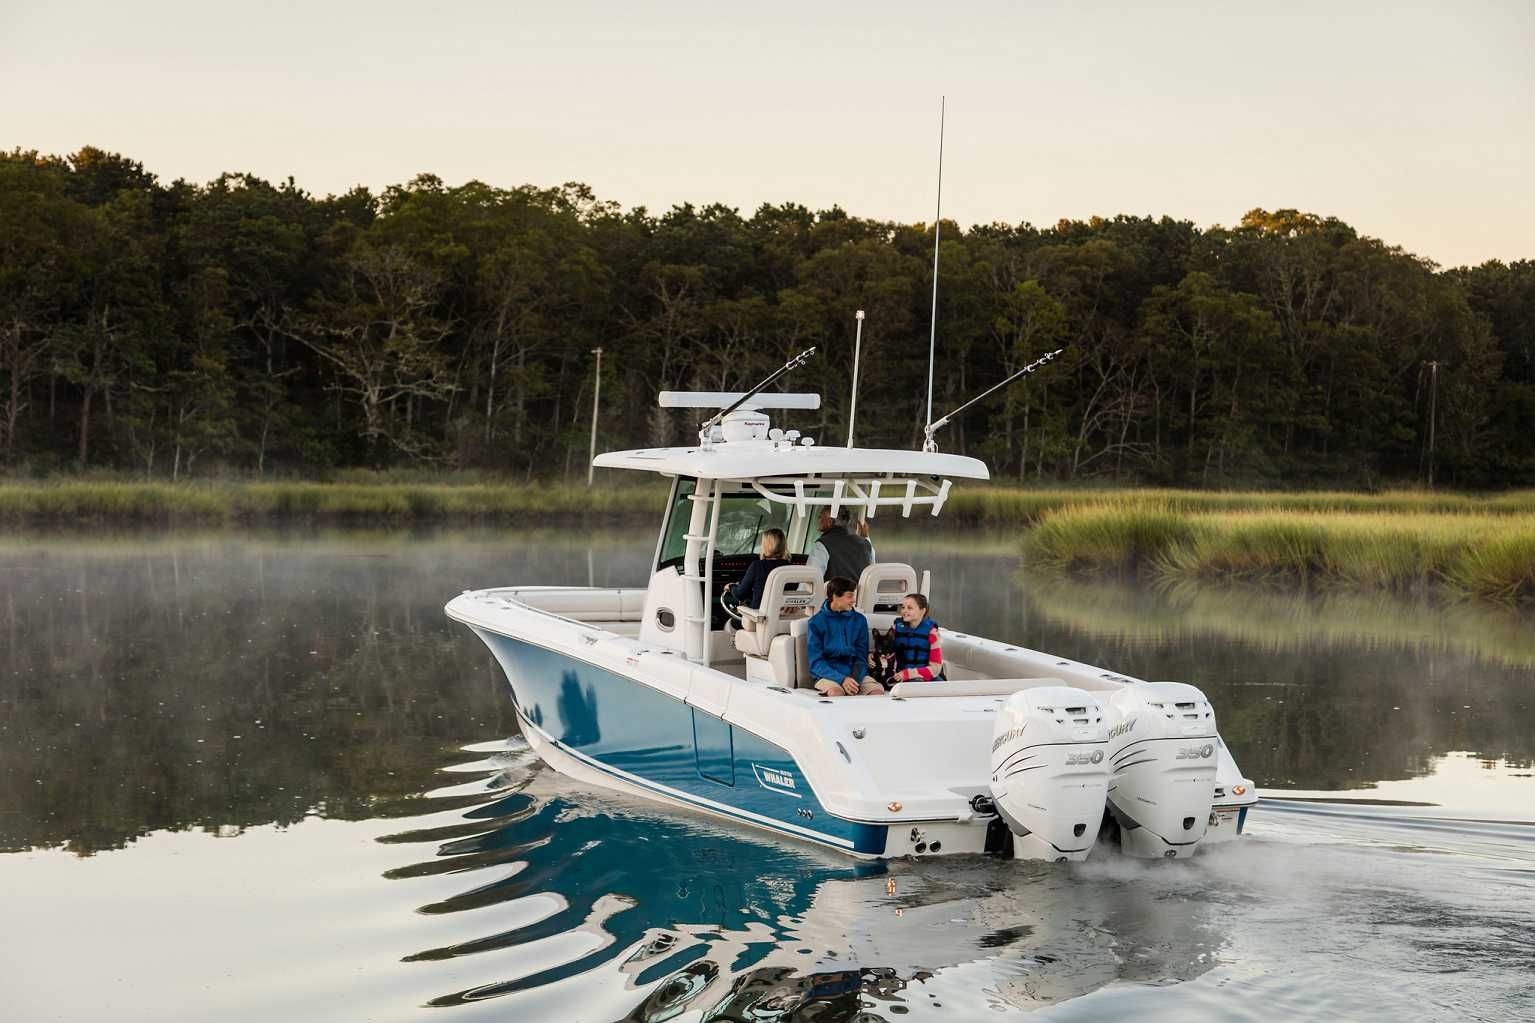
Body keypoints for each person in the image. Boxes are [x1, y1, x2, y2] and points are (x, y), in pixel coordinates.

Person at [806, 577, 885, 697]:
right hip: (828, 675)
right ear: (835, 596)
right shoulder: (816, 622)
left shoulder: (860, 620)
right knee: (836, 693)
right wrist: (842, 679)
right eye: (849, 596)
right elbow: (816, 663)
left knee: (877, 692)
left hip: (855, 674)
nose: (853, 601)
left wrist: (854, 680)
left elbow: (861, 657)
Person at [887, 593, 944, 683]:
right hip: (899, 676)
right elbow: (886, 652)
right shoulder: (895, 629)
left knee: (943, 687)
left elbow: (936, 668)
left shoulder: (932, 633)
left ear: (922, 611)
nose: (904, 611)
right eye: (903, 607)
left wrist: (909, 674)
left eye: (909, 608)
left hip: (925, 676)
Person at [729, 528, 791, 611]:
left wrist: (731, 586)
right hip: (783, 617)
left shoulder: (757, 566)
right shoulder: (790, 567)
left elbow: (740, 594)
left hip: (759, 618)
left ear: (766, 546)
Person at [809, 507, 875, 582]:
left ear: (829, 522)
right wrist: (865, 538)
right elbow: (871, 573)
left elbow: (810, 580)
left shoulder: (822, 545)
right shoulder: (866, 545)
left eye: (820, 516)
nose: (818, 519)